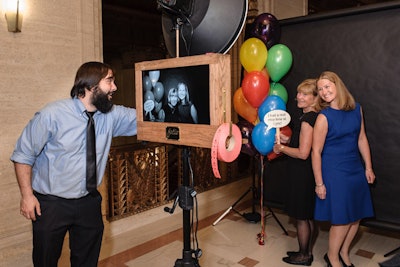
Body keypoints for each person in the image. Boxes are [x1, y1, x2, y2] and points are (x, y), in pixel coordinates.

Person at [10, 61, 137, 267]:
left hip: (88, 202)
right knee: (45, 261)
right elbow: (23, 155)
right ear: (91, 86)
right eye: (110, 81)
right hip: (50, 205)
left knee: (87, 261)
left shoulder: (112, 115)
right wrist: (27, 195)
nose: (114, 87)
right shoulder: (52, 115)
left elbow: (146, 120)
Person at [312, 71, 375, 267]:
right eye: (320, 89)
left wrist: (368, 167)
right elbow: (316, 152)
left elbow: (362, 138)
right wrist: (319, 183)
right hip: (334, 172)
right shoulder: (323, 117)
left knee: (355, 216)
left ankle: (344, 253)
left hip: (355, 169)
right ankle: (332, 258)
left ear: (337, 85)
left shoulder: (357, 109)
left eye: (327, 87)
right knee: (341, 219)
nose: (324, 92)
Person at [273, 79, 320, 266]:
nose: (298, 97)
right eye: (299, 93)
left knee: (301, 217)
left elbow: (303, 153)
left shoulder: (308, 120)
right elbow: (302, 143)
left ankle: (304, 256)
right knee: (306, 215)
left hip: (302, 173)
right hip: (307, 173)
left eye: (304, 94)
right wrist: (287, 140)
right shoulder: (313, 117)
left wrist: (281, 149)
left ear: (315, 98)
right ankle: (305, 250)